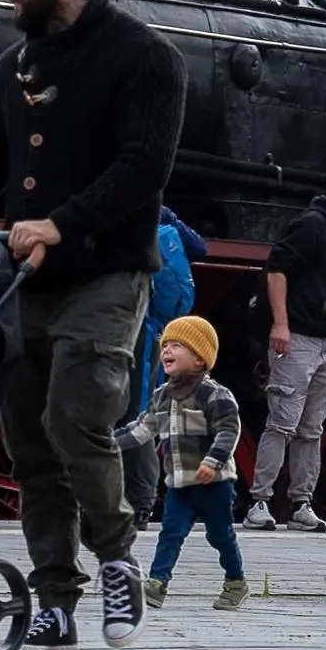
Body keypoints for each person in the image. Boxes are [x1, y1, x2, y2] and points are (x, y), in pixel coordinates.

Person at [0, 0, 185, 649]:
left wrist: (60, 224)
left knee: (76, 416)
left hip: (105, 275)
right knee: (29, 442)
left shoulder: (146, 58)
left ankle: (117, 558)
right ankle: (55, 598)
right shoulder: (18, 63)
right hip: (24, 279)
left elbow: (143, 170)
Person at [243, 174, 326, 531]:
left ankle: (301, 503)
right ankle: (259, 501)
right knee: (282, 422)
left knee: (312, 428)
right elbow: (277, 269)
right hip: (299, 337)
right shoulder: (313, 225)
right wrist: (280, 323)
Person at [119, 314, 244, 609]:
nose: (166, 350)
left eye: (176, 345)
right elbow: (142, 429)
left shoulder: (214, 395)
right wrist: (106, 445)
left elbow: (229, 430)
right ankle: (157, 583)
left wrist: (212, 462)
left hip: (214, 483)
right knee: (170, 533)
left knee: (220, 535)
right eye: (165, 345)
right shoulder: (162, 396)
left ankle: (236, 581)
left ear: (200, 358)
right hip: (179, 484)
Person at [121, 210, 200, 527]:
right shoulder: (162, 220)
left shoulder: (139, 217)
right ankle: (138, 499)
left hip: (136, 326)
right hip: (147, 327)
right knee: (136, 410)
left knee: (133, 412)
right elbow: (199, 247)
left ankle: (139, 500)